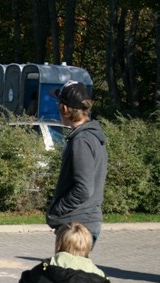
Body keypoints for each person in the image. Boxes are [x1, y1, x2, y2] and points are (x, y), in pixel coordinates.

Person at [46, 81, 108, 245]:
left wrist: (58, 210)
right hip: (82, 223)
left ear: (64, 109)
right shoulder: (91, 136)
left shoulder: (82, 140)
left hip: (77, 226)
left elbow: (84, 188)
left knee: (66, 270)